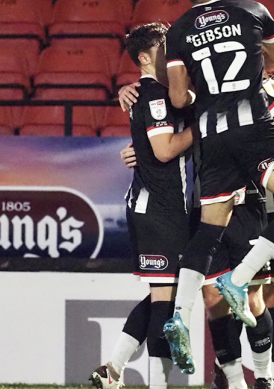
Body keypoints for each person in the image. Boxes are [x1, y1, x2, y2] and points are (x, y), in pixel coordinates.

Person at [160, 0, 274, 374]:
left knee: (209, 229)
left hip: (211, 138)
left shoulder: (176, 33)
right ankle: (238, 278)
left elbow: (178, 99)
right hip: (254, 129)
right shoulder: (253, 11)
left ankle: (178, 315)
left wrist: (204, 93)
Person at [116, 73, 274, 389]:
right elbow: (173, 127)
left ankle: (268, 377)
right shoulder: (199, 92)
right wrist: (140, 142)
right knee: (214, 297)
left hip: (253, 199)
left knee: (258, 294)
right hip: (208, 203)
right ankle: (232, 380)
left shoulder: (260, 84)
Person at [90, 22, 194, 389]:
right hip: (159, 211)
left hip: (164, 208)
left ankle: (112, 369)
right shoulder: (152, 96)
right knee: (164, 300)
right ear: (147, 57)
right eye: (165, 47)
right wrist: (203, 128)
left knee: (161, 295)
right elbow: (165, 150)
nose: (173, 53)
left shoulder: (152, 94)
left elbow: (153, 148)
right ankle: (156, 384)